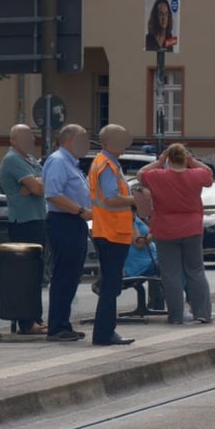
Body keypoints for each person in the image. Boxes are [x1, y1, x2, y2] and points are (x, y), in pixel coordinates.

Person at [138, 143, 215, 324]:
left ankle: (175, 315)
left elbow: (141, 174)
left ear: (169, 159)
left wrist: (159, 161)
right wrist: (192, 160)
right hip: (192, 227)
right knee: (195, 270)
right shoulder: (196, 175)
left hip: (165, 228)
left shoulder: (158, 176)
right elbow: (209, 174)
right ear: (184, 158)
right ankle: (202, 312)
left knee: (171, 273)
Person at [88, 124, 137, 346]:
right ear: (109, 142)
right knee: (110, 285)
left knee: (111, 284)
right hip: (110, 231)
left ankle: (106, 332)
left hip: (110, 230)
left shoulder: (107, 163)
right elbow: (111, 199)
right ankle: (105, 333)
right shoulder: (106, 165)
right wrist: (136, 200)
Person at [43, 124, 92, 342]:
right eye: (83, 140)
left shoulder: (72, 163)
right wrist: (80, 210)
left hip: (75, 222)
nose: (86, 145)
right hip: (64, 221)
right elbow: (53, 194)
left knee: (72, 276)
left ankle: (64, 323)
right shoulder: (58, 161)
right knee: (64, 275)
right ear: (70, 140)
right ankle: (56, 327)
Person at [0, 123, 47, 335]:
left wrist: (36, 183)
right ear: (13, 139)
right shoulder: (12, 159)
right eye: (25, 136)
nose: (30, 140)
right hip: (23, 221)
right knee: (25, 274)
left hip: (37, 218)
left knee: (36, 273)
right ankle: (26, 323)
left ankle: (36, 317)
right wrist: (36, 184)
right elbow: (38, 188)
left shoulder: (30, 159)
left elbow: (47, 184)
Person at [124, 212, 158, 278]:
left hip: (150, 259)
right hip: (141, 264)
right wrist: (155, 231)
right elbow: (139, 243)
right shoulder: (130, 219)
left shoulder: (136, 218)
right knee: (170, 264)